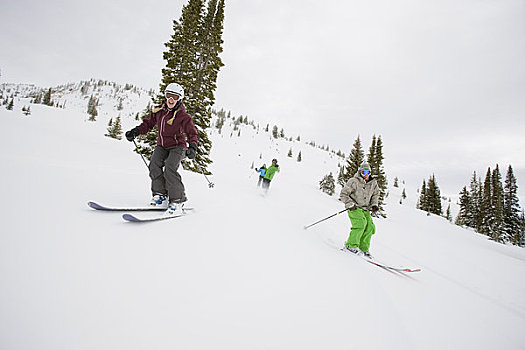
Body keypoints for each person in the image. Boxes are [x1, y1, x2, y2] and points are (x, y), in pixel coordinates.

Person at [125, 82, 198, 216]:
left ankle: (177, 200)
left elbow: (192, 133)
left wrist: (192, 146)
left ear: (179, 99)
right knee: (154, 165)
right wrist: (136, 131)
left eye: (174, 97)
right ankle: (160, 195)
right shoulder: (159, 111)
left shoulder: (184, 117)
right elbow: (148, 124)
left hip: (178, 146)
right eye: (169, 95)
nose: (171, 99)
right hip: (162, 145)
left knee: (170, 167)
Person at [339, 162, 379, 258]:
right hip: (354, 207)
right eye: (364, 172)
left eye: (368, 172)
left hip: (365, 208)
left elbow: (375, 194)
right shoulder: (354, 181)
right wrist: (350, 204)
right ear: (360, 172)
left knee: (370, 227)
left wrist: (374, 205)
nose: (366, 174)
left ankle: (363, 248)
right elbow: (343, 194)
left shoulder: (373, 183)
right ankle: (350, 245)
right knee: (360, 224)